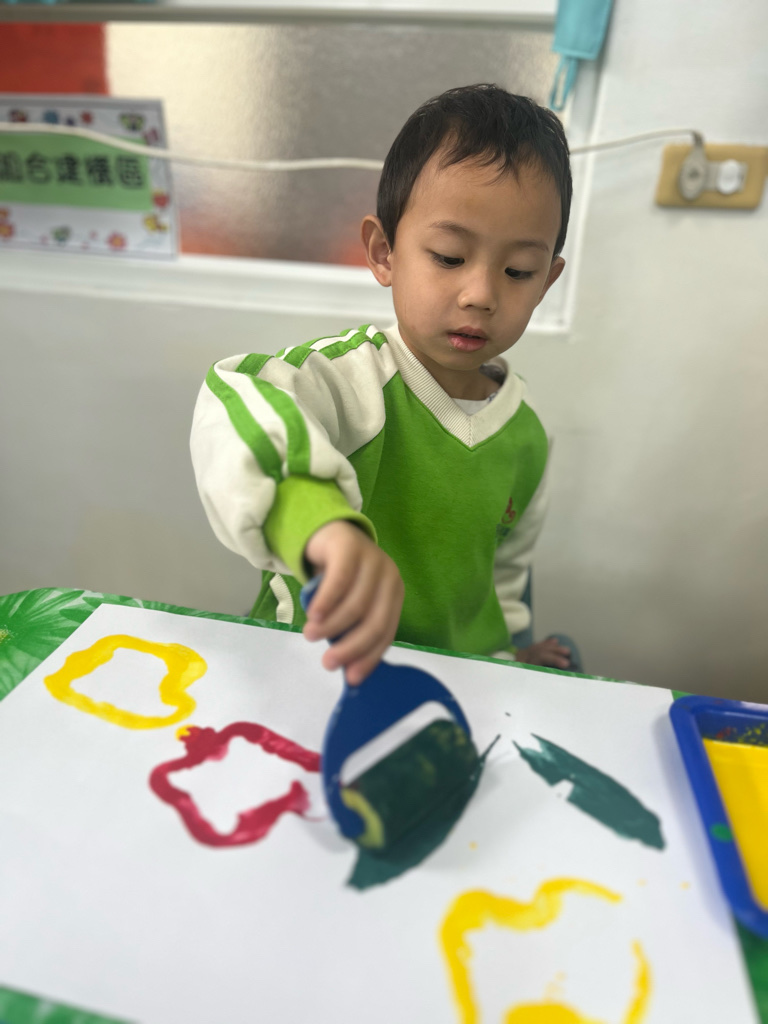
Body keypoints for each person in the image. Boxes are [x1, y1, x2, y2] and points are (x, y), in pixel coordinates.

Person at [191, 83, 577, 685]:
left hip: (454, 686)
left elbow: (501, 577)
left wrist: (505, 656)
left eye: (518, 270)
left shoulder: (527, 434)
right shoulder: (346, 380)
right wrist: (320, 524)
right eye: (449, 257)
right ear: (384, 252)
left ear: (547, 281)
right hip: (311, 673)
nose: (481, 294)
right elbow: (237, 399)